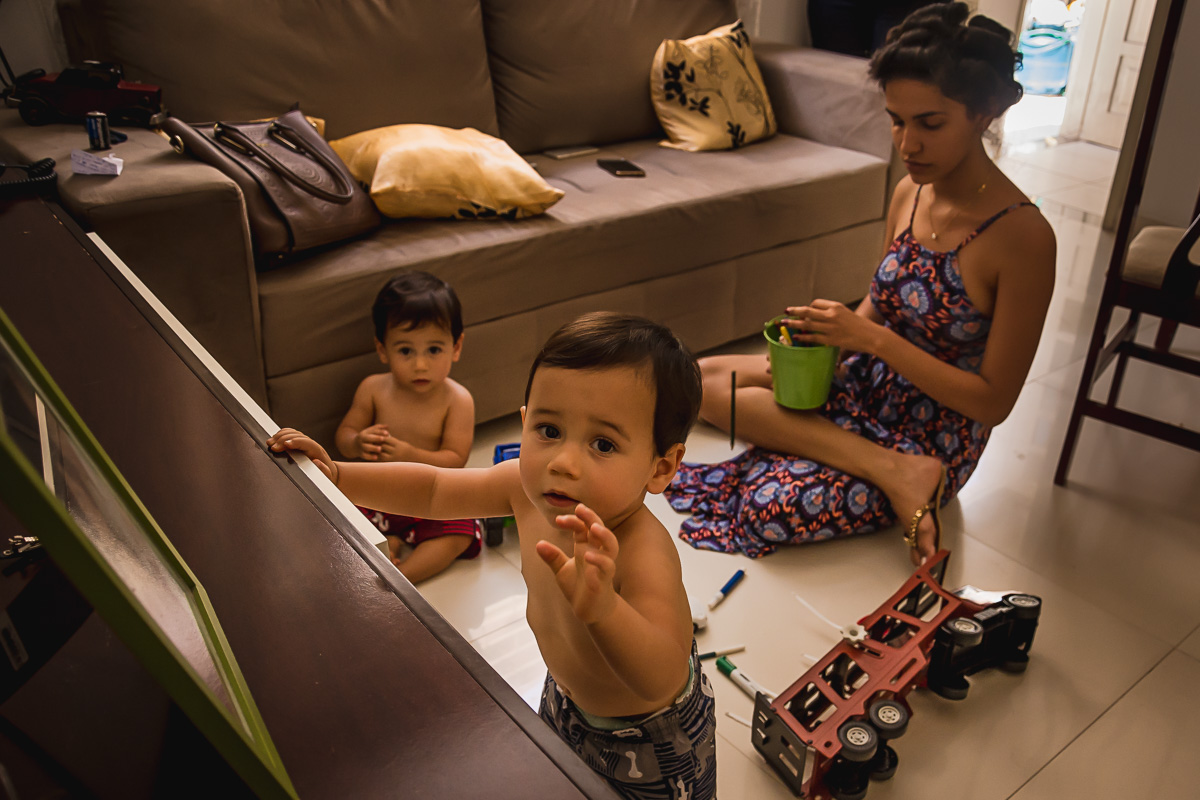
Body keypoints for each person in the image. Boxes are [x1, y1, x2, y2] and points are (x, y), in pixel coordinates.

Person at [667, 2, 1055, 566]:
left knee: (766, 506)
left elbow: (993, 402)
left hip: (934, 431)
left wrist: (870, 339)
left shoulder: (1023, 236)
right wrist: (826, 344)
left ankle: (911, 469)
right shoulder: (910, 191)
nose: (907, 144)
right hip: (865, 382)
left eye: (930, 124)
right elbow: (882, 299)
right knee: (701, 380)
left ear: (985, 112)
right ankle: (889, 469)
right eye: (896, 120)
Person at [269, 312, 717, 800]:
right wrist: (338, 477)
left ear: (661, 467)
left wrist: (606, 611)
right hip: (566, 702)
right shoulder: (521, 488)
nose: (562, 462)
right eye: (549, 430)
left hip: (651, 741)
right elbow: (434, 489)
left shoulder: (643, 549)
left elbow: (661, 677)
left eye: (603, 444)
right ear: (525, 422)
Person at [335, 271, 481, 581]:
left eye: (434, 350)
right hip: (378, 494)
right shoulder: (373, 389)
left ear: (456, 347)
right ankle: (387, 540)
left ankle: (400, 579)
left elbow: (455, 460)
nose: (420, 365)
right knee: (335, 510)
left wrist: (409, 454)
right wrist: (358, 442)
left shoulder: (458, 400)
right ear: (382, 349)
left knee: (462, 530)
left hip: (430, 495)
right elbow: (343, 438)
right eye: (405, 351)